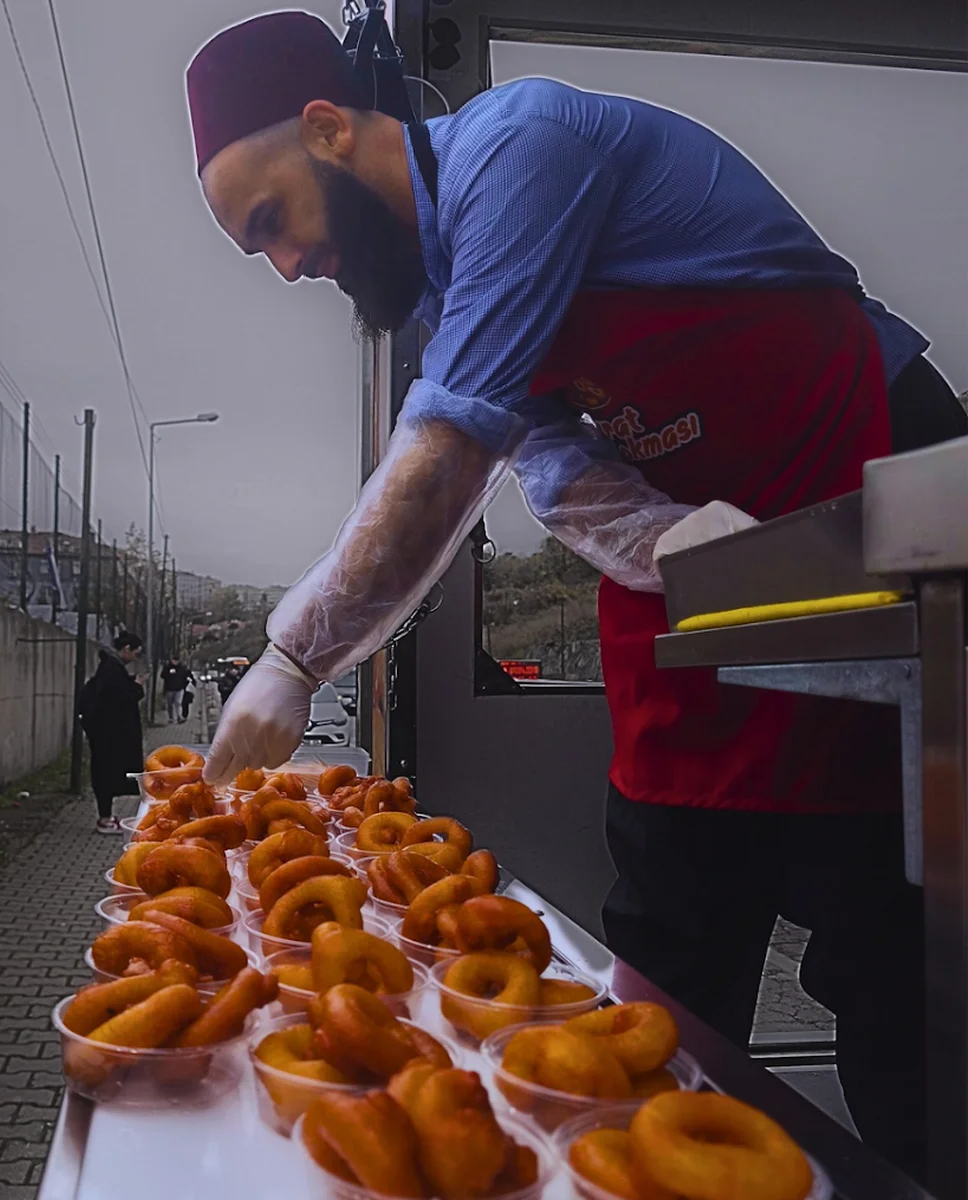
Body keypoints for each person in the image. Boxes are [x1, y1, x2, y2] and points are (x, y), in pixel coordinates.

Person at [184, 11, 965, 1181]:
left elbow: (448, 452)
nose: (291, 265)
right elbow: (555, 475)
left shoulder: (524, 149)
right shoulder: (455, 301)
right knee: (662, 993)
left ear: (329, 128)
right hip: (702, 610)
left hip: (867, 522)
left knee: (898, 988)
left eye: (274, 223)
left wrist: (296, 658)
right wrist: (685, 549)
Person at [78, 631, 147, 834]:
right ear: (126, 649)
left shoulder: (111, 668)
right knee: (106, 775)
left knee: (107, 774)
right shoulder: (111, 670)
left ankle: (106, 816)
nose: (135, 658)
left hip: (107, 736)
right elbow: (120, 698)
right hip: (108, 737)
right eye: (135, 653)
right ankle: (104, 819)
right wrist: (137, 687)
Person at [160, 656, 193, 724]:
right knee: (170, 704)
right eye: (174, 660)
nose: (175, 662)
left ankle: (179, 717)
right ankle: (171, 717)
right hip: (170, 688)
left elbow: (186, 675)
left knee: (178, 702)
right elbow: (162, 675)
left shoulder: (182, 668)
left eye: (176, 661)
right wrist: (168, 673)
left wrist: (187, 682)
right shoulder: (167, 667)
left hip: (179, 688)